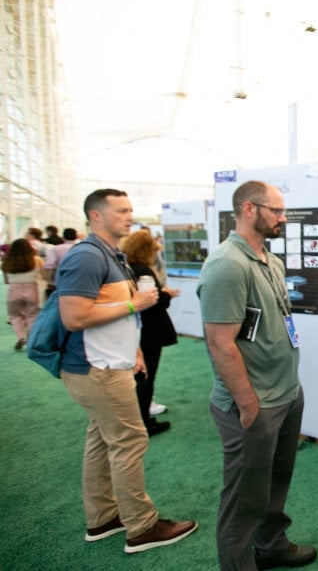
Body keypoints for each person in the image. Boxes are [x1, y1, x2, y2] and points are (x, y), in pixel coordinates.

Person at [56, 188, 197, 554]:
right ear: (95, 216)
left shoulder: (111, 255)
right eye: (121, 210)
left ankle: (103, 518)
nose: (129, 215)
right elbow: (73, 317)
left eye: (130, 209)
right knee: (129, 440)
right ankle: (142, 526)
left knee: (102, 439)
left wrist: (132, 348)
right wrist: (135, 303)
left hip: (109, 363)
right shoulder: (87, 257)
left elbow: (112, 311)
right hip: (96, 369)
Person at [198, 180, 316, 570]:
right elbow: (220, 343)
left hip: (283, 393)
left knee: (275, 481)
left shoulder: (270, 260)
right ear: (249, 209)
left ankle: (270, 545)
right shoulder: (227, 265)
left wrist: (289, 389)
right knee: (245, 496)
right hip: (253, 402)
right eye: (277, 211)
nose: (283, 218)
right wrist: (247, 402)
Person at [121, 231, 180, 436]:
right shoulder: (143, 272)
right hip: (150, 330)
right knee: (146, 376)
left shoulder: (127, 269)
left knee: (140, 376)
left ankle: (140, 419)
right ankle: (144, 422)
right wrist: (167, 294)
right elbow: (152, 302)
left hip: (138, 329)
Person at [2, 238, 43, 350]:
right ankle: (31, 339)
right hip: (32, 290)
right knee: (32, 315)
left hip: (14, 291)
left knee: (15, 316)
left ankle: (21, 338)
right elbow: (43, 274)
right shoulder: (37, 260)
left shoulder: (7, 262)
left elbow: (6, 281)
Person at [42, 227, 79, 297]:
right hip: (80, 281)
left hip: (61, 282)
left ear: (63, 237)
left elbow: (48, 266)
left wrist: (50, 281)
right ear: (76, 236)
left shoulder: (57, 249)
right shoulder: (83, 247)